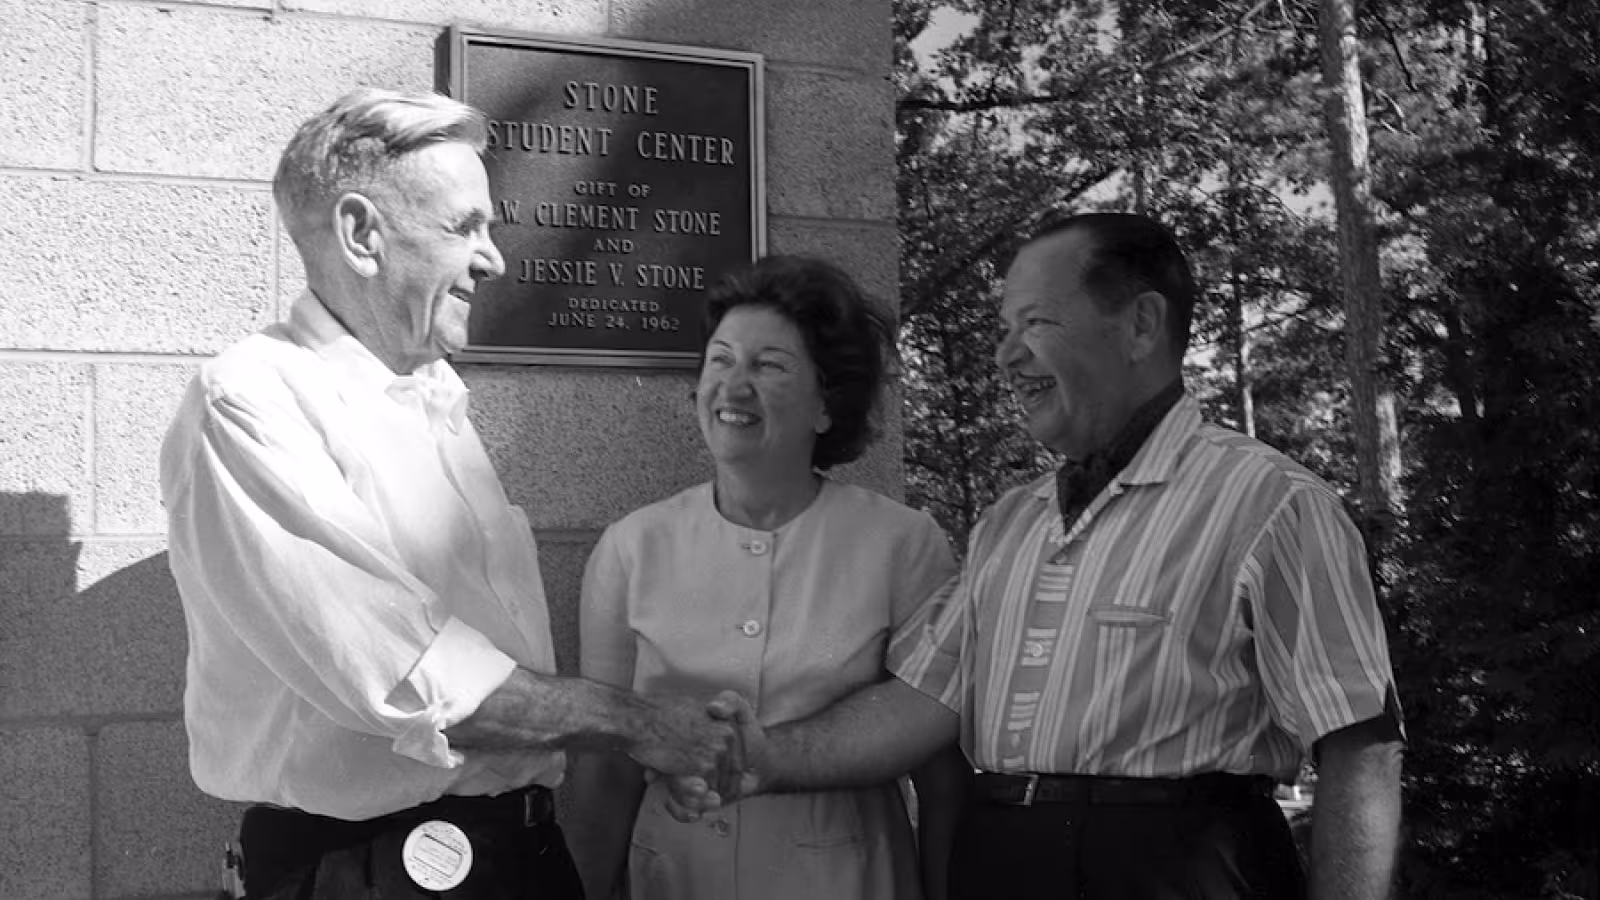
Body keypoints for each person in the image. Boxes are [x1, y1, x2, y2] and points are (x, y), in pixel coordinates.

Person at [669, 213, 1405, 900]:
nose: (1006, 354)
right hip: (1005, 863)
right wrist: (765, 758)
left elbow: (1359, 748)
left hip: (1179, 868)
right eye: (1002, 327)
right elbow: (920, 703)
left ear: (1141, 325)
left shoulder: (1273, 504)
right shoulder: (1009, 523)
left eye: (1036, 322)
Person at [160, 88, 738, 900]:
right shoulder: (251, 402)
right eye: (465, 226)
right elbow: (419, 677)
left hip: (513, 856)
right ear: (363, 234)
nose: (494, 258)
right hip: (369, 871)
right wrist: (644, 728)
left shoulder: (431, 398)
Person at [565, 256, 969, 900]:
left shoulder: (903, 543)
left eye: (769, 365)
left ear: (826, 406)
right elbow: (603, 763)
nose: (733, 385)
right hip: (675, 875)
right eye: (721, 360)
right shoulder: (631, 547)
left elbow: (941, 770)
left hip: (848, 879)